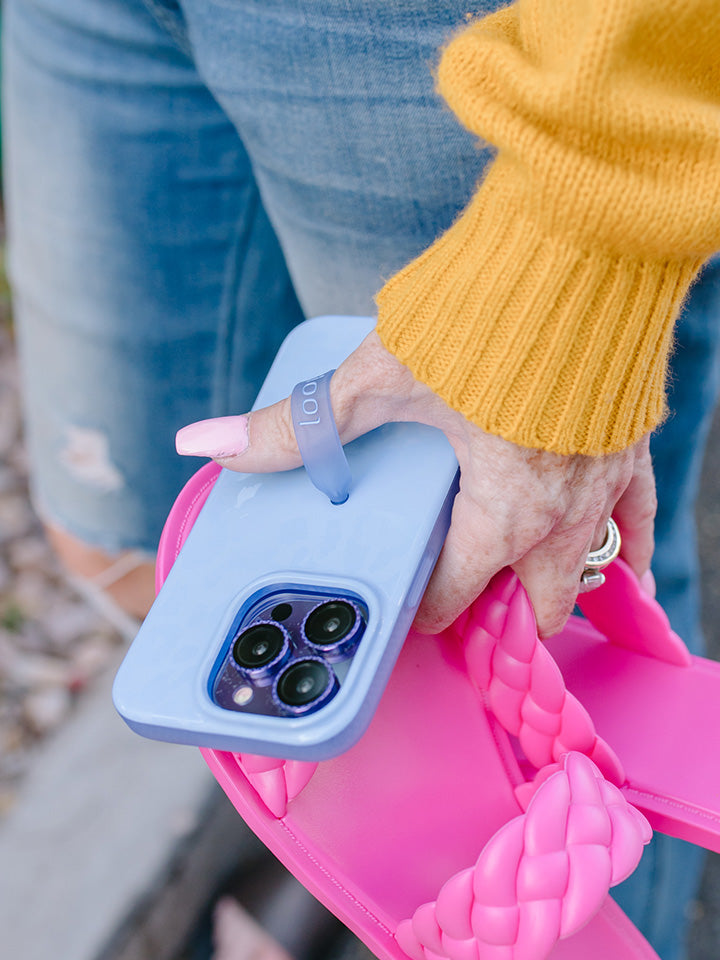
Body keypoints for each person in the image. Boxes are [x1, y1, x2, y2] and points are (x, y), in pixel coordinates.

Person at [4, 0, 720, 957]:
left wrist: (583, 242)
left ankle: (513, 867)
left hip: (460, 40)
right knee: (125, 533)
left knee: (538, 594)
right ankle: (350, 841)